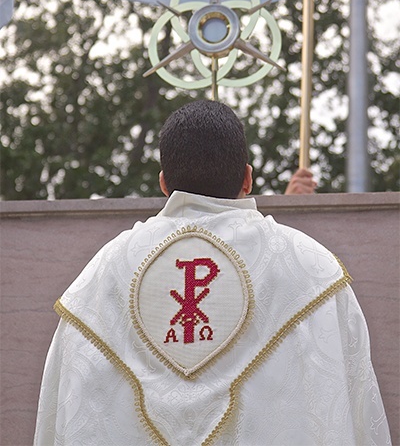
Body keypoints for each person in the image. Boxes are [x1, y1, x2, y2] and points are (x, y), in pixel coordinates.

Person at [34, 100, 391, 446]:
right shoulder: (313, 270)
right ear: (248, 178)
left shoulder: (100, 275)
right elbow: (352, 410)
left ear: (163, 183)